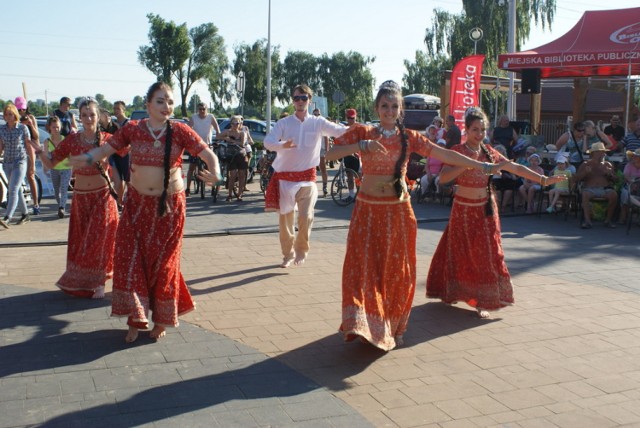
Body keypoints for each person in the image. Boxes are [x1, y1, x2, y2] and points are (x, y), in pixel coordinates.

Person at [326, 82, 505, 351]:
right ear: (377, 108)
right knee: (362, 268)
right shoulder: (363, 132)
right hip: (367, 211)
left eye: (394, 106)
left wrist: (479, 164)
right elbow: (329, 153)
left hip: (398, 213)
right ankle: (364, 324)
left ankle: (394, 325)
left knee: (398, 271)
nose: (389, 110)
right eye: (384, 105)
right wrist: (362, 145)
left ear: (400, 110)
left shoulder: (409, 137)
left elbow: (443, 153)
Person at [70, 82, 221, 343]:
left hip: (169, 208)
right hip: (136, 206)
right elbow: (105, 150)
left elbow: (208, 154)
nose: (167, 107)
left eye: (170, 102)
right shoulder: (132, 130)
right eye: (161, 101)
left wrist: (216, 174)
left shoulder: (181, 131)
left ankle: (161, 319)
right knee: (129, 260)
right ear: (148, 104)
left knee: (163, 264)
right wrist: (80, 158)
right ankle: (135, 318)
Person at [426, 107, 566, 319]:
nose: (479, 134)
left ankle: (484, 300)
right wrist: (467, 165)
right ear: (467, 129)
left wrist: (544, 180)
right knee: (459, 252)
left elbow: (515, 168)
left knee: (488, 255)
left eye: (482, 130)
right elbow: (444, 179)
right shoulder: (457, 151)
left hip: (485, 210)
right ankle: (453, 291)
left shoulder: (490, 153)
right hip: (462, 210)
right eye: (475, 129)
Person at [31, 98, 119, 298]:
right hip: (80, 199)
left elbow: (130, 150)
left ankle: (99, 283)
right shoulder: (72, 140)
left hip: (103, 197)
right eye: (85, 115)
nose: (89, 119)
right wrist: (40, 152)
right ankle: (84, 281)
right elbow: (53, 163)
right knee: (83, 242)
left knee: (98, 241)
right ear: (79, 117)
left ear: (99, 117)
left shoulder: (107, 139)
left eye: (92, 115)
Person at [264, 84, 347, 268]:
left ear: (310, 100)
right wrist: (283, 145)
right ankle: (288, 254)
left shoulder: (318, 122)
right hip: (285, 178)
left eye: (303, 98)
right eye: (296, 98)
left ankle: (301, 250)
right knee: (285, 220)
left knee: (306, 216)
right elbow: (268, 142)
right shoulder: (284, 123)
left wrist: (361, 129)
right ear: (293, 101)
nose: (300, 101)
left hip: (308, 178)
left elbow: (340, 131)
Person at [0, 103, 32, 228]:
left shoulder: (22, 128)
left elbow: (28, 147)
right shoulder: (1, 129)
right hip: (7, 162)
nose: (8, 117)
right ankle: (25, 214)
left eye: (11, 114)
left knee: (12, 189)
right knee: (16, 189)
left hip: (20, 161)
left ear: (15, 115)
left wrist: (32, 164)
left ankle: (8, 217)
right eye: (6, 114)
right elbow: (1, 147)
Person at [573, 142, 618, 229]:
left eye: (603, 152)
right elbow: (576, 179)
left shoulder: (608, 164)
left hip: (605, 189)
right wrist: (585, 173)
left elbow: (616, 180)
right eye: (600, 152)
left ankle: (608, 220)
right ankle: (587, 221)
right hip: (590, 189)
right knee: (585, 194)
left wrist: (610, 175)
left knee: (614, 195)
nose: (603, 154)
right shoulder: (586, 164)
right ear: (593, 153)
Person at [187, 102, 220, 195]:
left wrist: (218, 136)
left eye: (203, 109)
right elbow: (188, 129)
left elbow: (217, 129)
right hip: (196, 145)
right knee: (191, 167)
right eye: (200, 109)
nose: (201, 111)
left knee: (211, 166)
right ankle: (188, 188)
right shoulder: (194, 117)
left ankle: (214, 186)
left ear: (207, 110)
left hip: (207, 145)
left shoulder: (210, 117)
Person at [15, 97, 40, 215]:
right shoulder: (14, 119)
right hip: (18, 149)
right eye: (19, 110)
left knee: (30, 175)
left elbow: (36, 136)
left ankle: (36, 204)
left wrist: (30, 124)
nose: (21, 112)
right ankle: (19, 205)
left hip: (30, 147)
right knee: (16, 179)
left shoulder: (31, 118)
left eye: (23, 109)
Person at [43, 116, 73, 218]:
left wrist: (72, 165)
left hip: (65, 168)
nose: (55, 129)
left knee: (64, 188)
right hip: (54, 168)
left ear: (60, 127)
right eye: (53, 127)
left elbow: (70, 154)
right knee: (56, 190)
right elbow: (46, 155)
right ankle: (60, 203)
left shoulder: (65, 140)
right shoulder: (47, 141)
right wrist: (45, 167)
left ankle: (62, 208)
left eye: (57, 127)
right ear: (49, 128)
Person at [216, 115, 249, 202]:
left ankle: (240, 194)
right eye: (233, 123)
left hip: (241, 155)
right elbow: (217, 136)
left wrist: (232, 141)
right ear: (230, 124)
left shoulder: (242, 133)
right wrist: (225, 138)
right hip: (231, 156)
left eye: (237, 123)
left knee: (242, 175)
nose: (235, 125)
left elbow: (242, 144)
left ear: (240, 124)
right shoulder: (228, 132)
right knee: (232, 175)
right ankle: (230, 194)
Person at [110, 101, 130, 208]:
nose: (116, 111)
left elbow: (131, 140)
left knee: (128, 179)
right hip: (115, 154)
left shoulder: (128, 123)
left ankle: (127, 200)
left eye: (118, 108)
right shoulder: (112, 123)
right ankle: (119, 201)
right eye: (114, 108)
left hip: (126, 155)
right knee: (118, 179)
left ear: (123, 110)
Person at [342, 108, 361, 203]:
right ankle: (351, 195)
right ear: (346, 118)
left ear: (355, 117)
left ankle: (359, 196)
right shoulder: (345, 128)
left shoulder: (359, 128)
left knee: (357, 177)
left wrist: (357, 152)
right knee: (349, 176)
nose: (351, 120)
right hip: (347, 155)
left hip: (357, 156)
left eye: (352, 118)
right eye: (349, 118)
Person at [618, 148, 640, 224]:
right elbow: (626, 177)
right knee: (625, 194)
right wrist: (633, 182)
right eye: (634, 156)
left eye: (637, 156)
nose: (635, 157)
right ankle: (622, 217)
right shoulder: (629, 165)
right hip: (629, 185)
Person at [313, 108, 330, 197]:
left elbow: (326, 138)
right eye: (315, 115)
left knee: (323, 168)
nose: (316, 116)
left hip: (321, 149)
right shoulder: (310, 124)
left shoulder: (322, 125)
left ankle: (325, 187)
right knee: (311, 170)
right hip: (311, 150)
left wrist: (327, 150)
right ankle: (312, 188)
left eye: (318, 115)